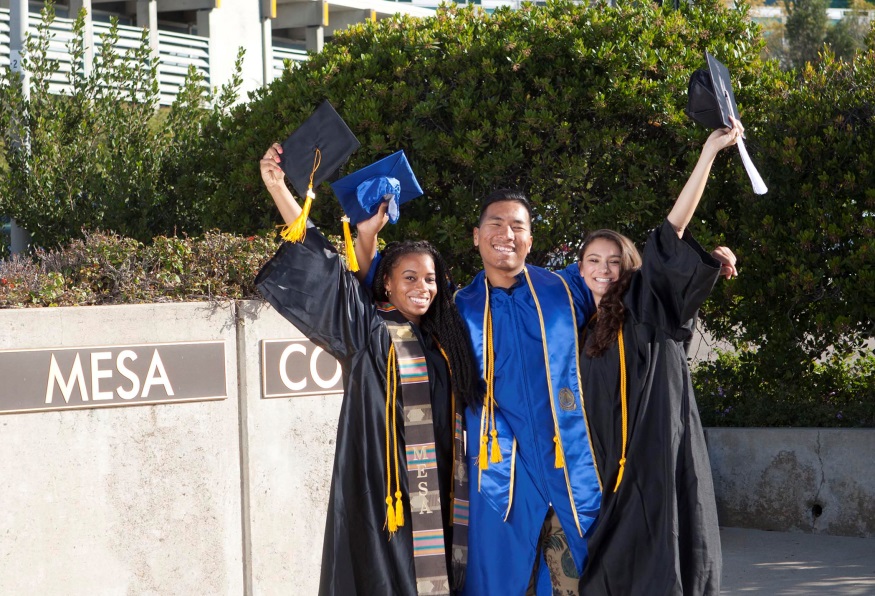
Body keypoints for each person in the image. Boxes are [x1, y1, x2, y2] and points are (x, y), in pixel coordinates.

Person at [255, 142, 479, 595]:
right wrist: (279, 188)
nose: (422, 286)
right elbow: (325, 266)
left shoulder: (446, 341)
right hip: (387, 492)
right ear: (388, 284)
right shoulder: (371, 332)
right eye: (410, 278)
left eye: (430, 278)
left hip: (446, 490)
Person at [576, 122, 742, 595]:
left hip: (655, 460)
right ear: (580, 267)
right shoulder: (586, 327)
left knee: (664, 561)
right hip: (608, 471)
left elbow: (673, 230)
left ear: (629, 265)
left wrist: (709, 152)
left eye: (613, 260)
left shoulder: (643, 302)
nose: (604, 270)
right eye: (593, 261)